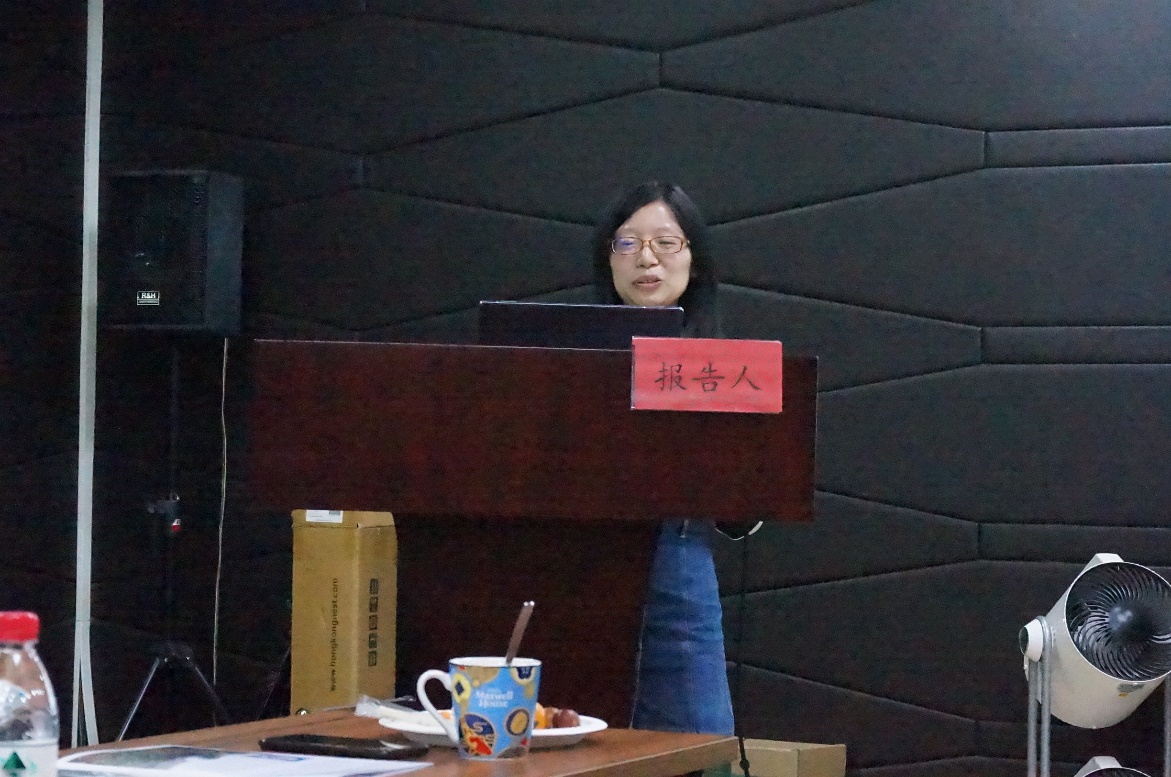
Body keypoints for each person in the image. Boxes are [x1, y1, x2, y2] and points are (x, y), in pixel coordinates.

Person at [590, 181, 738, 736]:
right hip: (576, 563)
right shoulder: (566, 358)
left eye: (665, 242)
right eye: (627, 243)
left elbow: (744, 507)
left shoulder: (725, 369)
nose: (646, 258)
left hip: (676, 559)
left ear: (694, 259)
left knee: (697, 735)